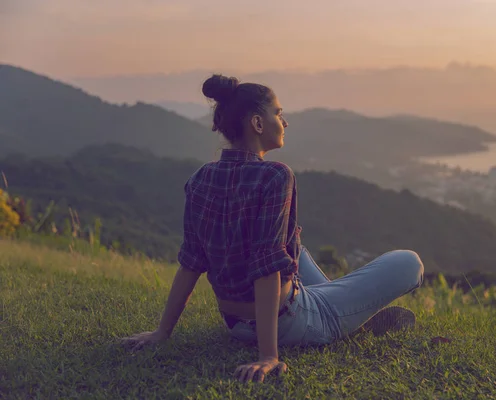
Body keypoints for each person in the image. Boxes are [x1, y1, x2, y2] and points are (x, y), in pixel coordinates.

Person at [120, 74, 425, 383]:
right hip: (293, 320)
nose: (285, 121)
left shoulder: (200, 177)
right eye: (278, 113)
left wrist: (163, 332)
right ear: (257, 123)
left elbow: (191, 262)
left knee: (297, 249)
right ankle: (347, 320)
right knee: (409, 262)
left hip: (236, 324)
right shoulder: (275, 176)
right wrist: (269, 355)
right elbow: (266, 266)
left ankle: (347, 312)